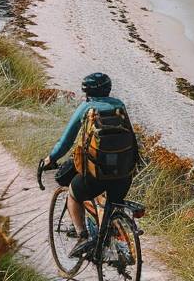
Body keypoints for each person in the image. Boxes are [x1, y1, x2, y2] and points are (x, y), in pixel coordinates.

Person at [43, 72, 138, 258]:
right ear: (108, 89)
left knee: (74, 193)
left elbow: (66, 142)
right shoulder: (119, 106)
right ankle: (120, 248)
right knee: (112, 207)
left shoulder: (87, 107)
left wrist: (50, 159)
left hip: (96, 175)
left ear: (86, 91)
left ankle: (83, 236)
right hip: (123, 174)